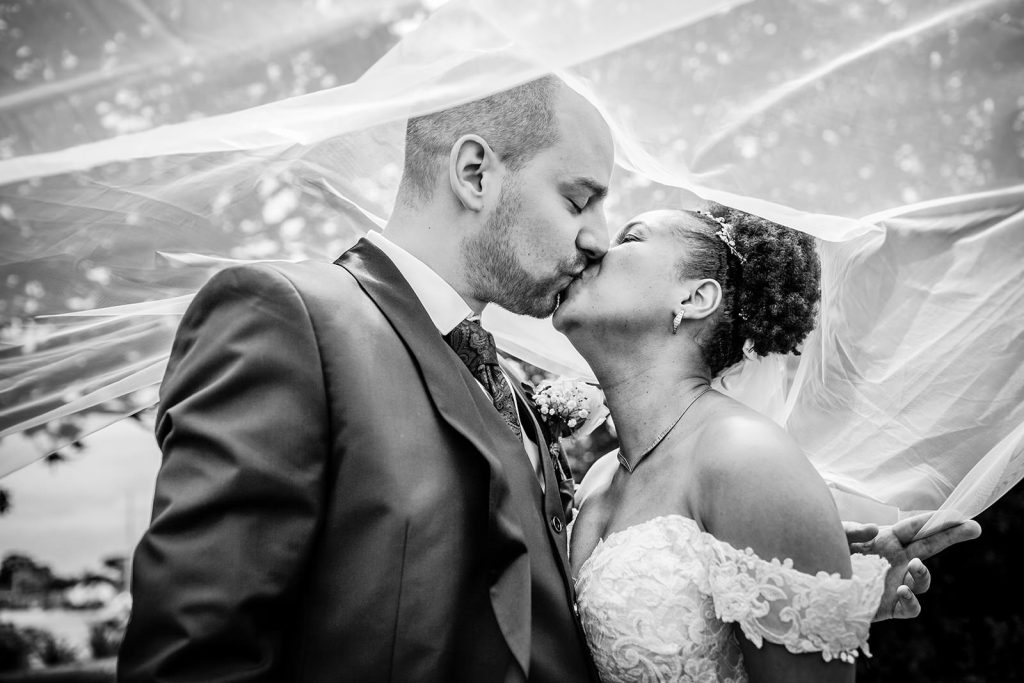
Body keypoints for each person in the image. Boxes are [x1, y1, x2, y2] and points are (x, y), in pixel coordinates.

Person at [119, 76, 973, 681]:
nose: (598, 238)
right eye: (579, 199)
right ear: (476, 172)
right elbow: (195, 651)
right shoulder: (292, 316)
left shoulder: (520, 403)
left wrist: (802, 586)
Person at [554, 205, 981, 682]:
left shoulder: (747, 459)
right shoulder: (601, 477)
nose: (594, 249)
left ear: (696, 297)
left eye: (630, 239)